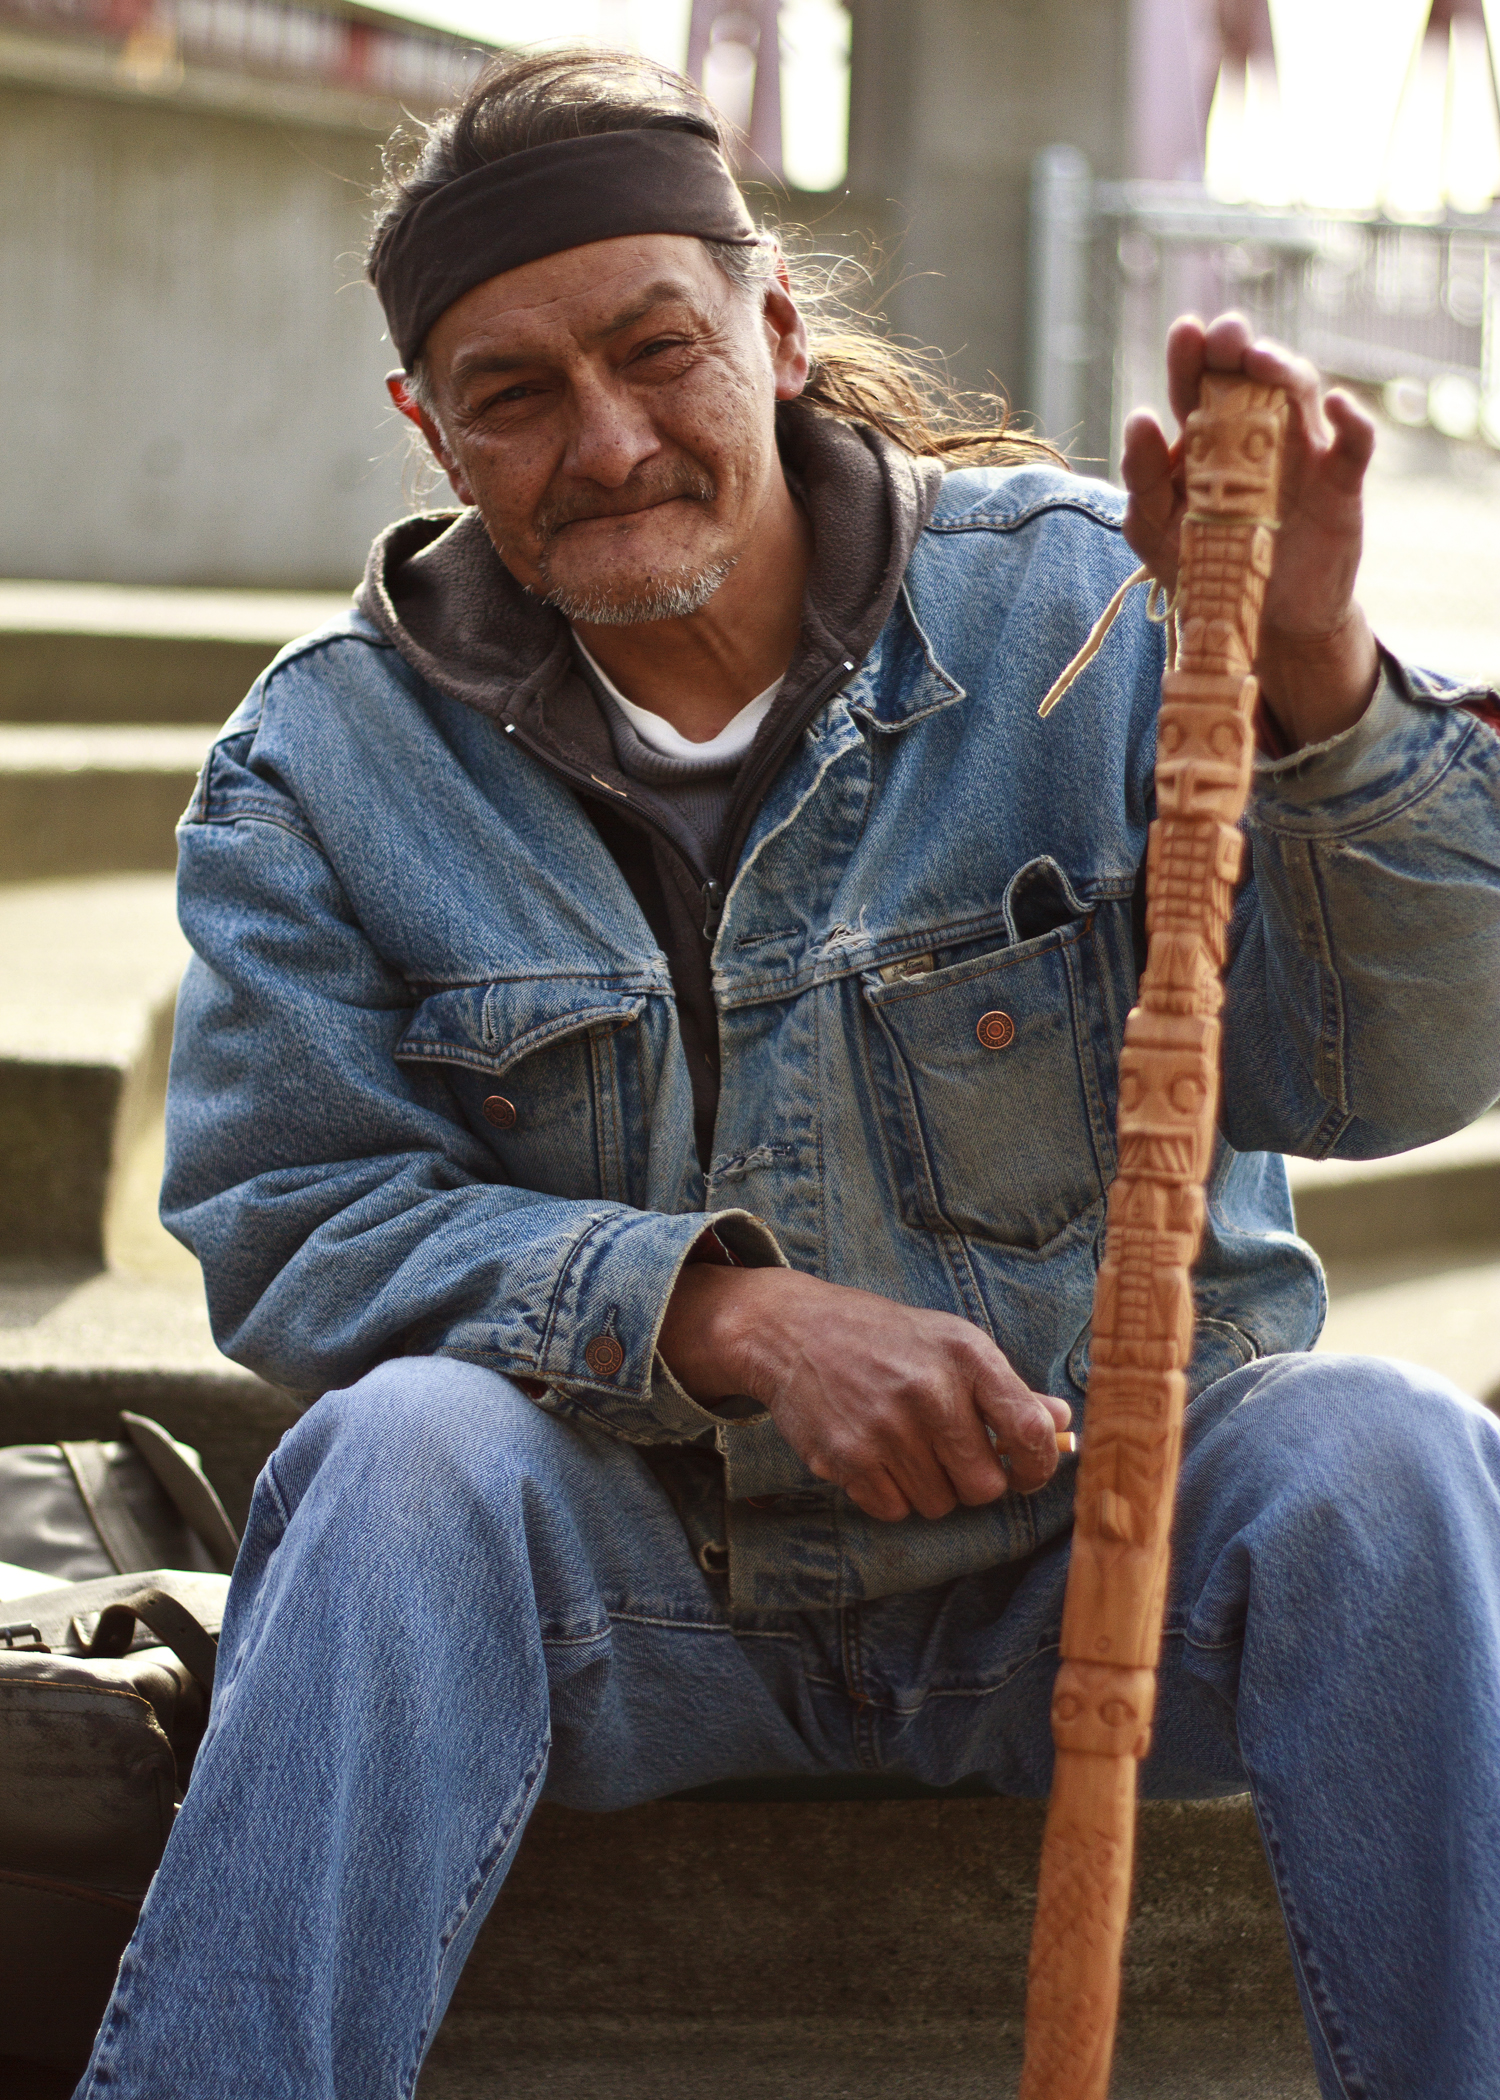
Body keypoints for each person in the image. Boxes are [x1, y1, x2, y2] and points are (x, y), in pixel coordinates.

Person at [75, 48, 1500, 2100]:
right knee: (396, 1464)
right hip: (640, 1602)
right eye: (515, 393)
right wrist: (719, 1315)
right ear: (425, 426)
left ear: (772, 325)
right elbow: (300, 1229)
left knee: (1388, 1451)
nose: (611, 437)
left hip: (1091, 1569)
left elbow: (1399, 1071)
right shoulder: (319, 777)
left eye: (661, 350)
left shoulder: (1096, 619)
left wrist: (1319, 685)